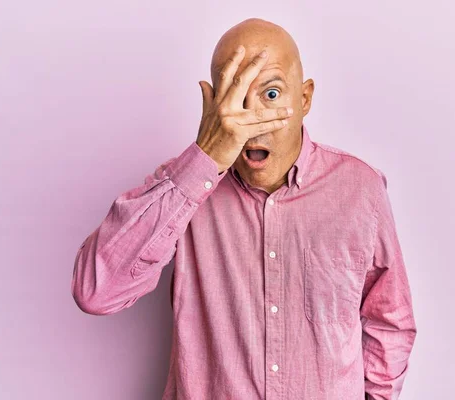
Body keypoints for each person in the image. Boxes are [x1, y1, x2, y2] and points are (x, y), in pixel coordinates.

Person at [71, 17, 417, 400]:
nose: (251, 122)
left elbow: (390, 321)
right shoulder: (181, 188)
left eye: (270, 94)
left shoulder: (359, 188)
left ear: (304, 99)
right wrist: (203, 160)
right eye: (234, 99)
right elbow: (96, 292)